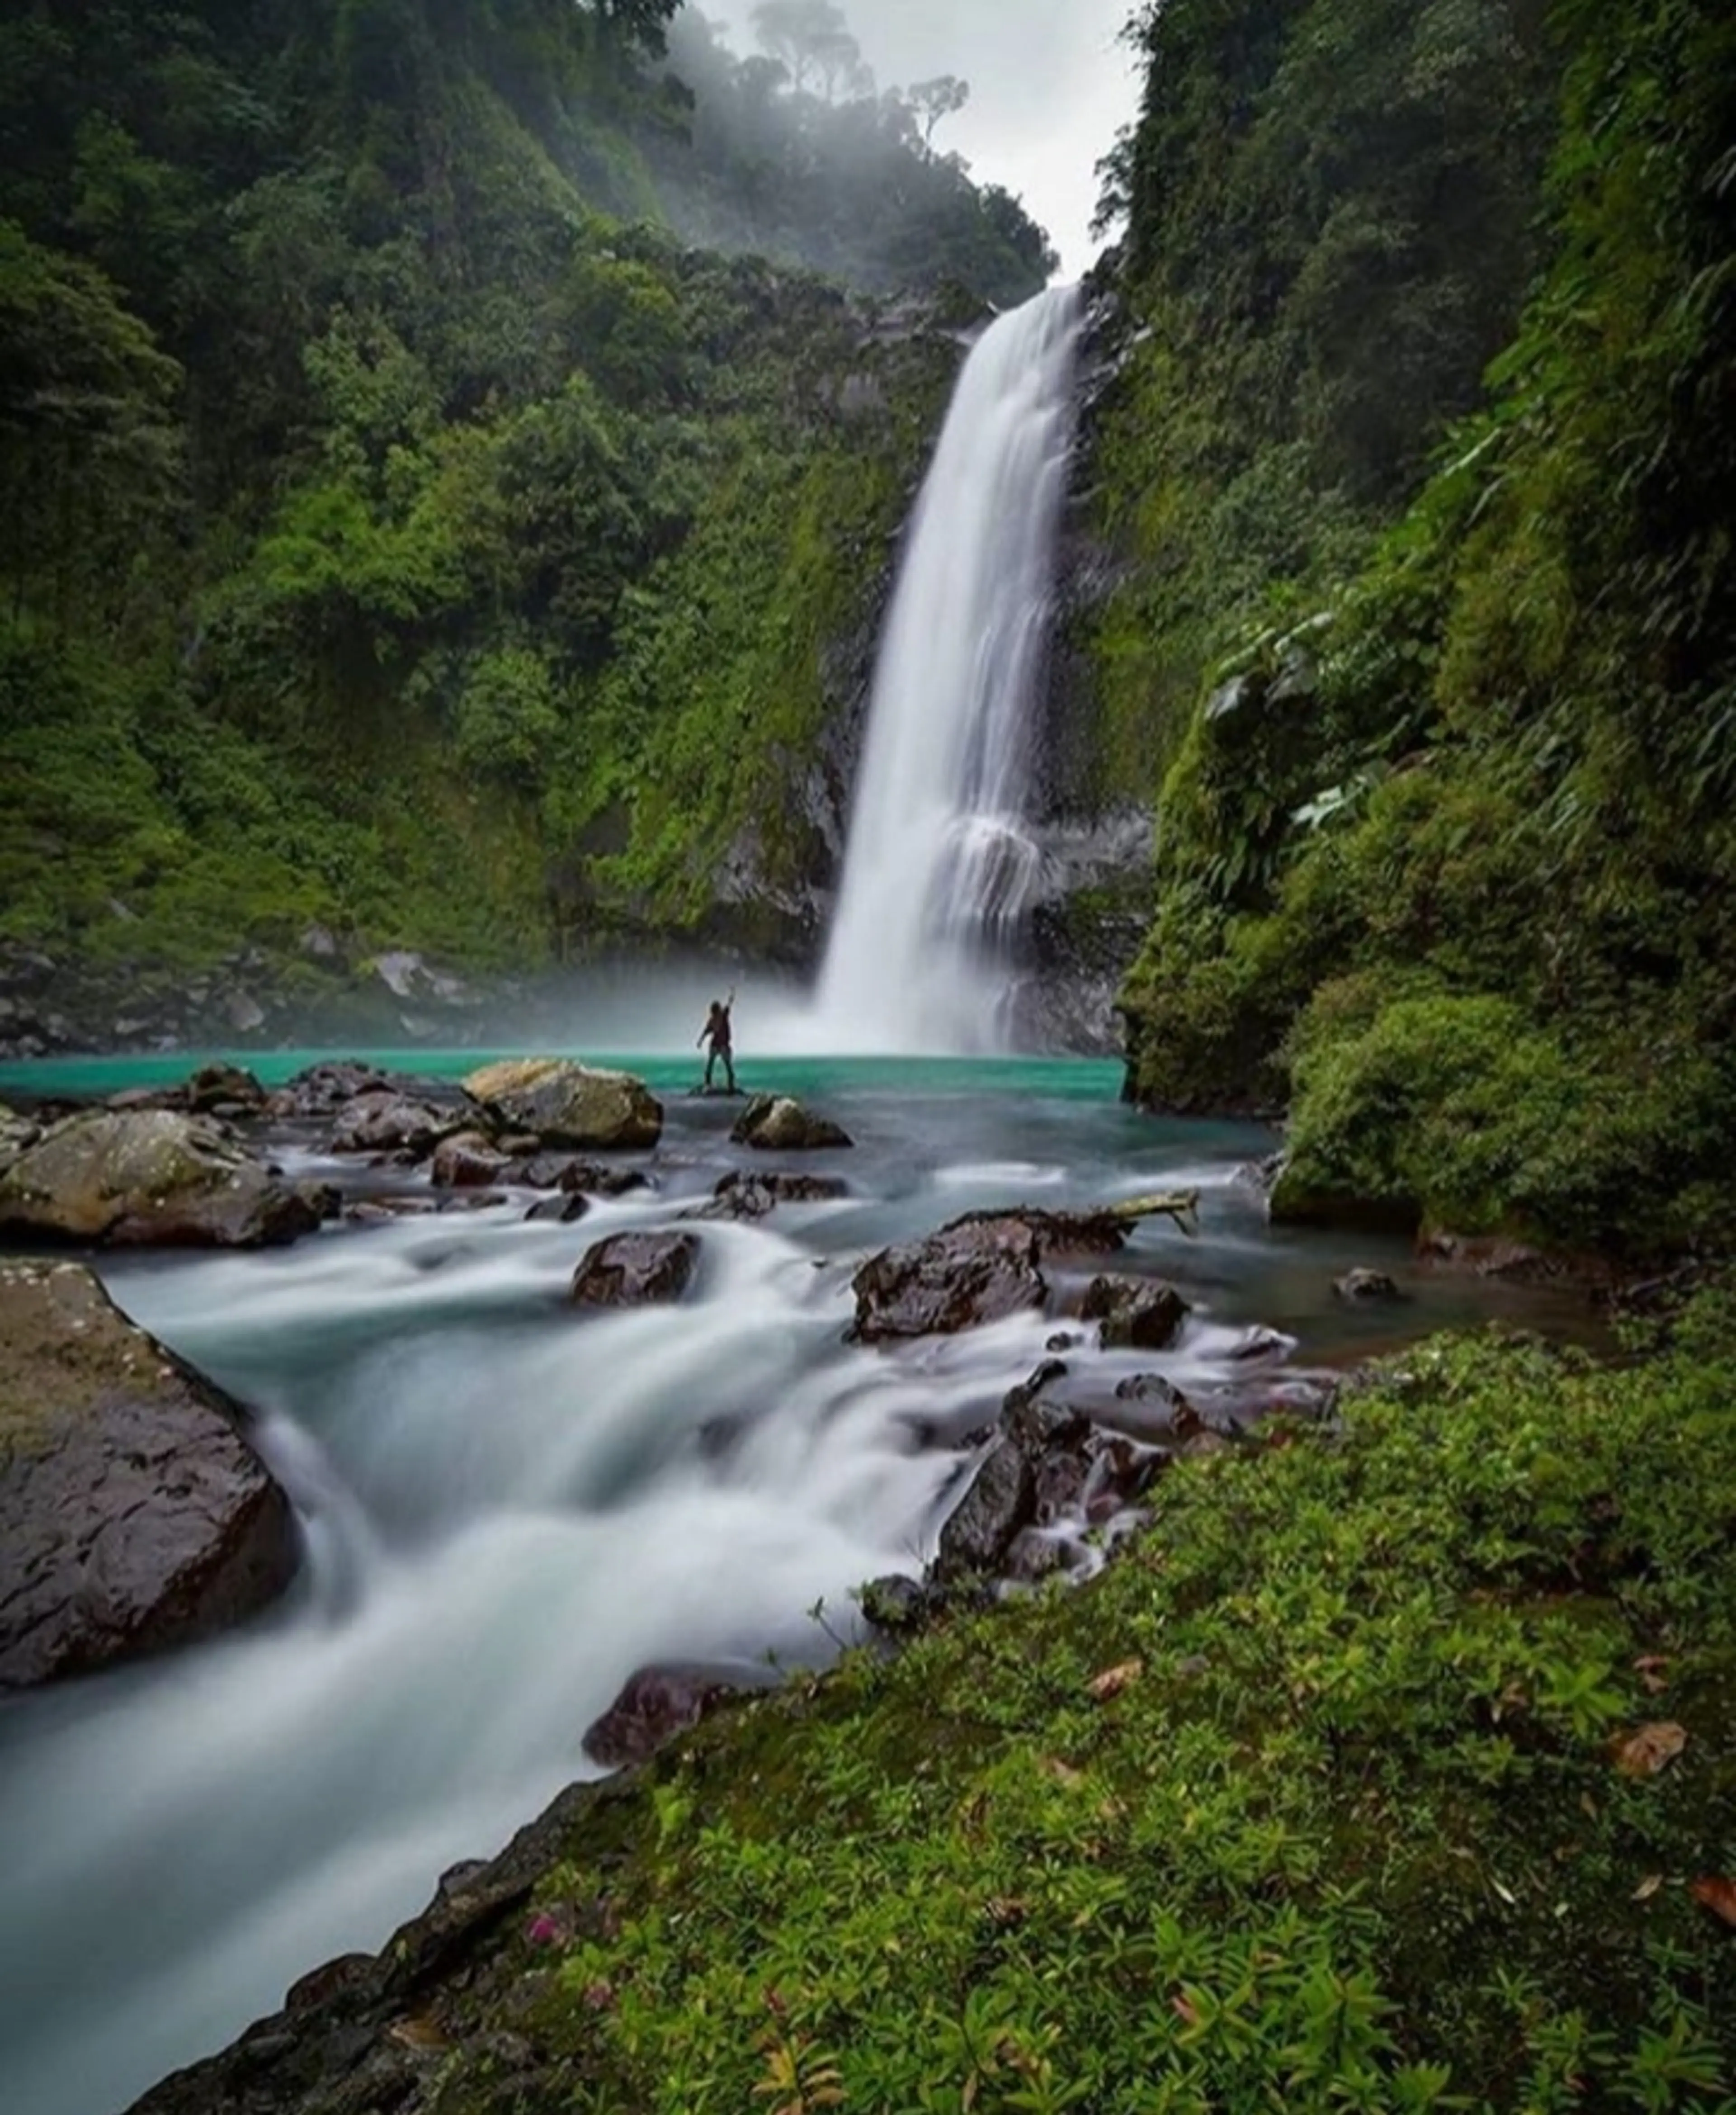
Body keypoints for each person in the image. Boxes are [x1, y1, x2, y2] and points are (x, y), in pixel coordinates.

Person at [698, 988, 736, 1093]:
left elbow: (729, 1004)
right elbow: (707, 1031)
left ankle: (731, 1086)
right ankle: (708, 1084)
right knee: (711, 1064)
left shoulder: (723, 1015)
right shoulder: (714, 1019)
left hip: (723, 1045)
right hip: (717, 1045)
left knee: (728, 1066)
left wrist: (732, 995)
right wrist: (701, 1041)